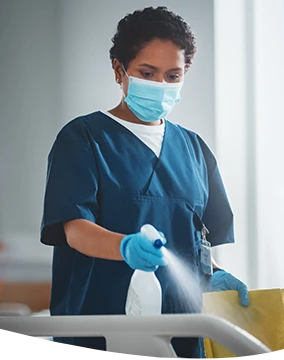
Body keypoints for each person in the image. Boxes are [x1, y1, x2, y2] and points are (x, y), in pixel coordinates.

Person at [40, 6, 250, 358]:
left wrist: (212, 275)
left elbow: (195, 240)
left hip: (181, 334)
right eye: (147, 73)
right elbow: (75, 229)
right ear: (119, 69)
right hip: (99, 333)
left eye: (172, 75)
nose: (160, 86)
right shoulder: (84, 138)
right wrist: (126, 247)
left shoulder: (195, 150)